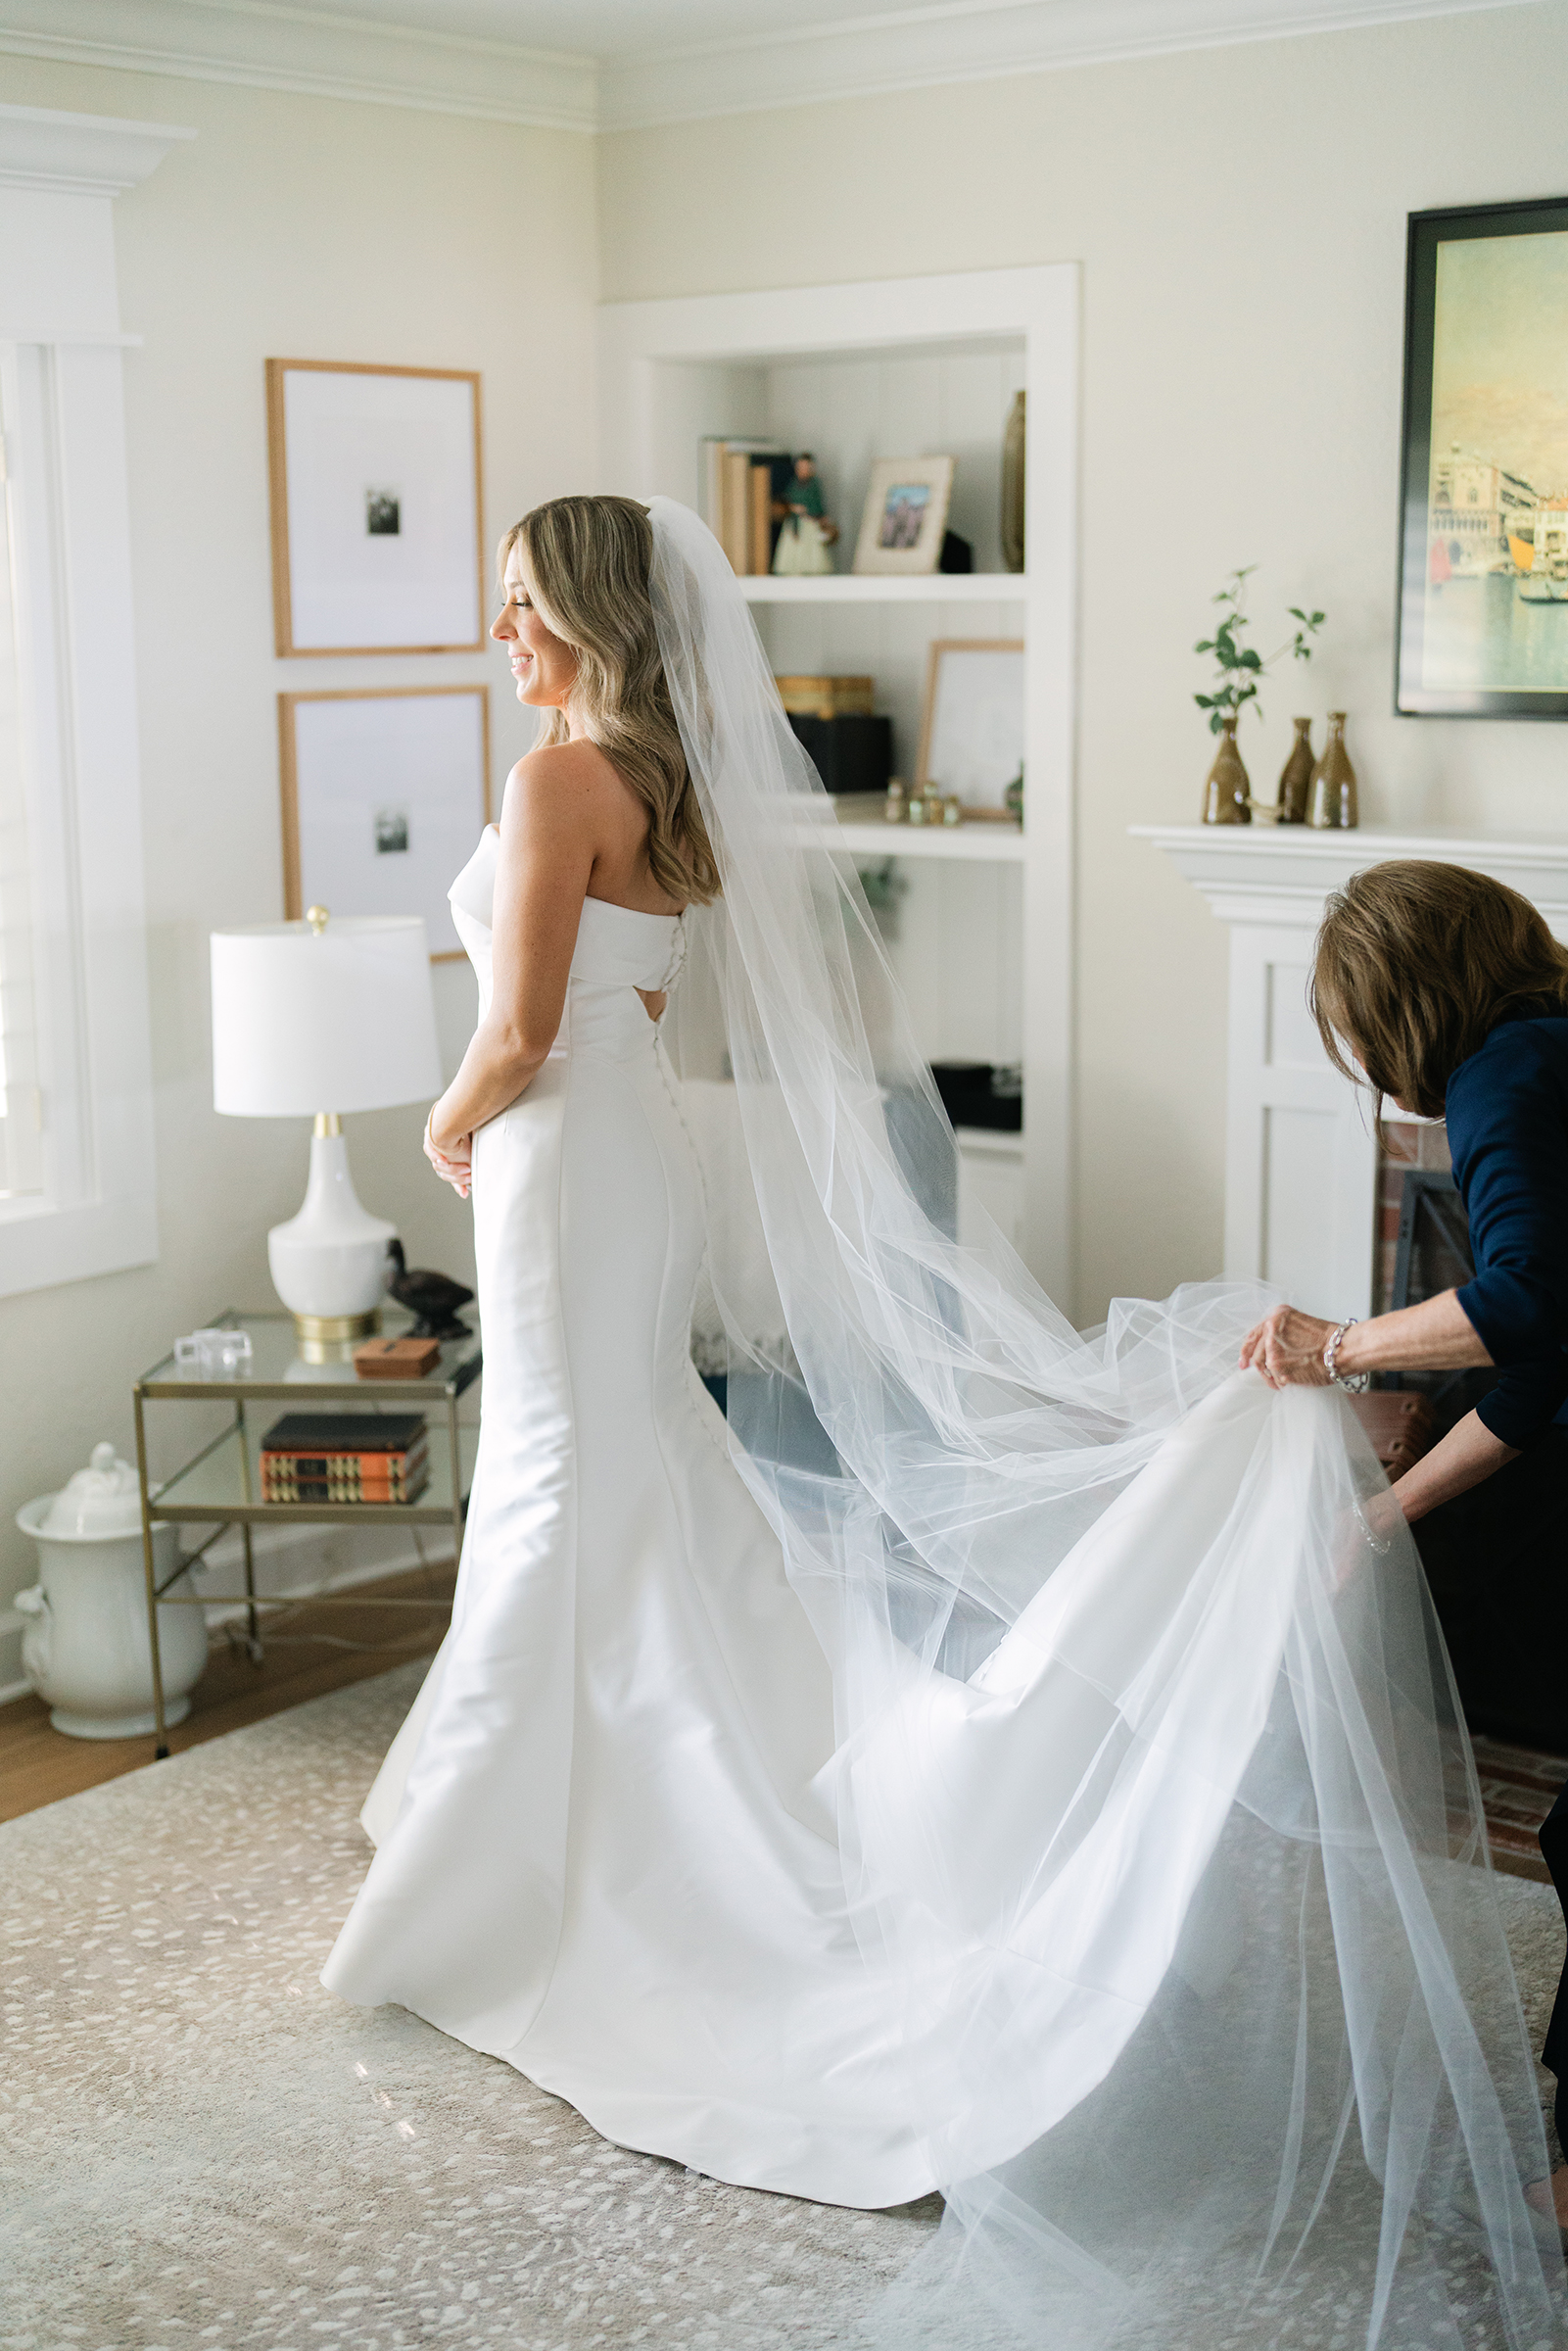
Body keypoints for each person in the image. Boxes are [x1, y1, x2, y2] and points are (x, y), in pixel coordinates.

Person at [323, 503, 1559, 2346]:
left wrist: (443, 1123)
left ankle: (498, 1851)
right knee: (611, 1462)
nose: (503, 633)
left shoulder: (559, 772)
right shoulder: (671, 785)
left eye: (519, 604)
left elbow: (513, 1028)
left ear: (578, 614)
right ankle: (553, 1796)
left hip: (556, 1157)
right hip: (628, 1156)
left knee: (564, 1469)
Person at [1239, 856, 1568, 2227]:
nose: (1369, 1076)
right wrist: (1387, 1511)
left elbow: (1518, 1300)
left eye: (1358, 1031)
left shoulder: (1505, 1076)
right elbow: (1547, 1363)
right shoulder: (1550, 1054)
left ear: (1404, 999)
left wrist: (1339, 1349)